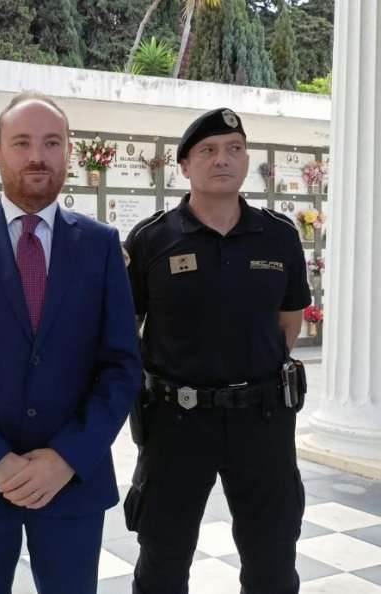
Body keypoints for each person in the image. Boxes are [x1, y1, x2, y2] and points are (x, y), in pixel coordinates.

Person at [0, 91, 142, 594]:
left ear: (69, 152)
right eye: (22, 142)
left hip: (72, 481)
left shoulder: (101, 244)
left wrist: (65, 458)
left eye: (51, 142)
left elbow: (122, 365)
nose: (37, 155)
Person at [123, 107, 311, 594]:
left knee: (272, 560)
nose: (222, 159)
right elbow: (129, 328)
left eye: (234, 149)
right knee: (162, 561)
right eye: (207, 150)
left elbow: (288, 322)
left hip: (262, 421)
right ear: (184, 165)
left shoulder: (280, 235)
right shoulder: (152, 239)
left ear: (247, 159)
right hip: (176, 422)